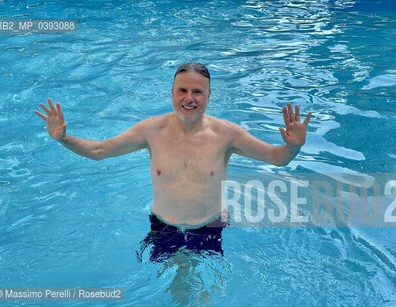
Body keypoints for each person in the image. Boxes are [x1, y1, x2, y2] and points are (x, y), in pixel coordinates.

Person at [35, 62, 311, 261]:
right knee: (175, 284)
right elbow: (99, 151)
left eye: (197, 92)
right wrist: (63, 139)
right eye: (182, 91)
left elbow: (277, 159)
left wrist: (293, 147)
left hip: (210, 224)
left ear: (209, 95)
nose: (189, 99)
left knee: (204, 290)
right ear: (172, 92)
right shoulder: (150, 130)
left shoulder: (228, 134)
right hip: (163, 224)